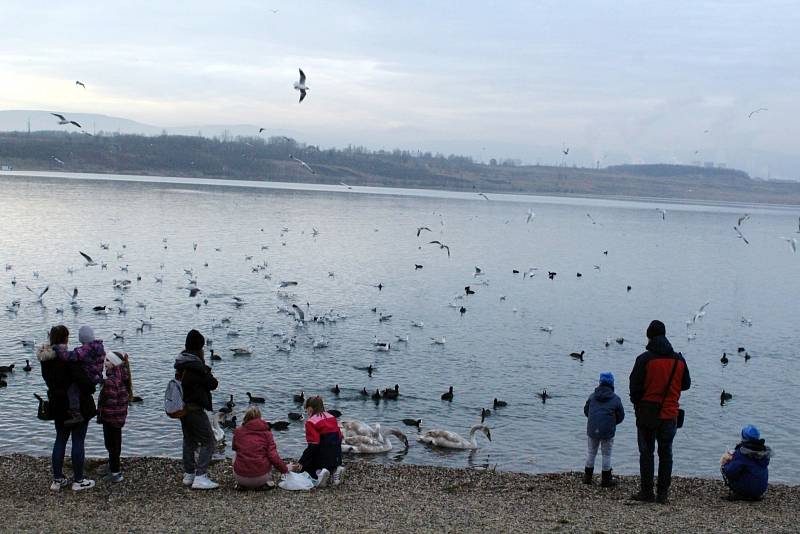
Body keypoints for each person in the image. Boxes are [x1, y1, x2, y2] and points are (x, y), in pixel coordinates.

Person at [629, 320, 690, 504]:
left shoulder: (644, 359)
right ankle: (662, 494)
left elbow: (635, 388)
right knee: (666, 454)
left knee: (646, 453)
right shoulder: (679, 360)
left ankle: (647, 492)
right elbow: (686, 384)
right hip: (670, 414)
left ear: (649, 336)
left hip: (647, 414)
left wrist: (638, 404)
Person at [37, 325, 97, 492]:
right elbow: (84, 382)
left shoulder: (45, 360)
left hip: (57, 406)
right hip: (76, 407)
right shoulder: (69, 360)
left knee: (60, 439)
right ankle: (78, 480)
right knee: (78, 440)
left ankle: (57, 479)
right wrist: (92, 386)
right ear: (66, 338)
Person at [175, 329, 220, 490]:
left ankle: (189, 474)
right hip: (194, 409)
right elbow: (212, 384)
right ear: (199, 347)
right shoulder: (196, 366)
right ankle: (200, 476)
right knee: (209, 441)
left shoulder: (181, 362)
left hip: (182, 408)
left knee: (189, 440)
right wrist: (206, 370)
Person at [57, 325, 105, 427]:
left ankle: (76, 414)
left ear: (82, 338)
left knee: (72, 390)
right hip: (96, 376)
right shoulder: (99, 347)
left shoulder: (85, 349)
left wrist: (58, 348)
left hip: (88, 376)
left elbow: (68, 356)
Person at [583, 372, 625, 487]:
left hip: (592, 429)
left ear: (600, 382)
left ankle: (587, 477)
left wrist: (593, 420)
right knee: (606, 455)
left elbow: (586, 411)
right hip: (607, 430)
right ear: (612, 384)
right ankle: (606, 480)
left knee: (591, 452)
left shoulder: (592, 396)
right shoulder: (615, 399)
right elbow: (621, 416)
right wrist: (612, 423)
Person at [232, 406, 289, 490]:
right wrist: (285, 469)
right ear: (259, 418)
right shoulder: (267, 433)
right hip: (261, 478)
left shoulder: (238, 432)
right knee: (268, 454)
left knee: (236, 453)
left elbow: (234, 448)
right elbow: (273, 456)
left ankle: (241, 484)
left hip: (240, 478)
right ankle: (264, 483)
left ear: (246, 418)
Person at [293, 396, 344, 487]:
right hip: (337, 455)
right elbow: (340, 437)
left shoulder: (311, 422)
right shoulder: (331, 417)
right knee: (329, 449)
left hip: (323, 456)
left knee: (305, 469)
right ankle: (335, 469)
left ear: (310, 409)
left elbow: (314, 444)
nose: (307, 413)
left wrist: (302, 461)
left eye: (306, 410)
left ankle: (319, 473)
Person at [96, 351, 131, 483]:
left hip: (111, 419)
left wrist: (101, 414)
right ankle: (112, 466)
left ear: (114, 363)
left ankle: (115, 472)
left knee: (111, 444)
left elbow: (110, 402)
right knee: (115, 444)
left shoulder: (111, 382)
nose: (105, 363)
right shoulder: (123, 377)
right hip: (119, 417)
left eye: (108, 361)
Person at [721, 425, 772, 501]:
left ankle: (741, 494)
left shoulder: (742, 453)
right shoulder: (763, 452)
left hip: (747, 491)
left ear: (743, 437)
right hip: (761, 490)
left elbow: (730, 472)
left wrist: (727, 462)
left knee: (724, 467)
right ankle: (754, 494)